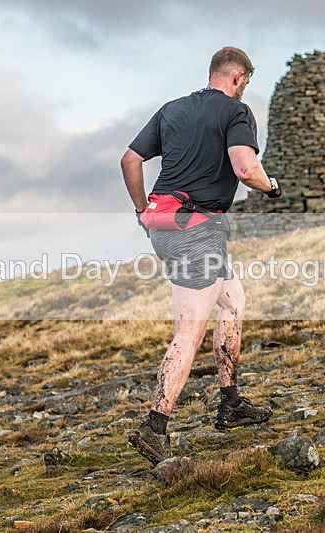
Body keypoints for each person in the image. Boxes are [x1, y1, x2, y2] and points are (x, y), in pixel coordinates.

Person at [120, 46, 282, 466]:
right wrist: (273, 186)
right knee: (188, 332)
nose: (245, 87)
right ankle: (154, 427)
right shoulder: (236, 113)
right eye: (247, 81)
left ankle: (230, 404)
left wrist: (141, 210)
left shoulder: (172, 110)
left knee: (234, 302)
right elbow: (246, 169)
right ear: (239, 77)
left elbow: (130, 159)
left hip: (169, 225)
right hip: (196, 231)